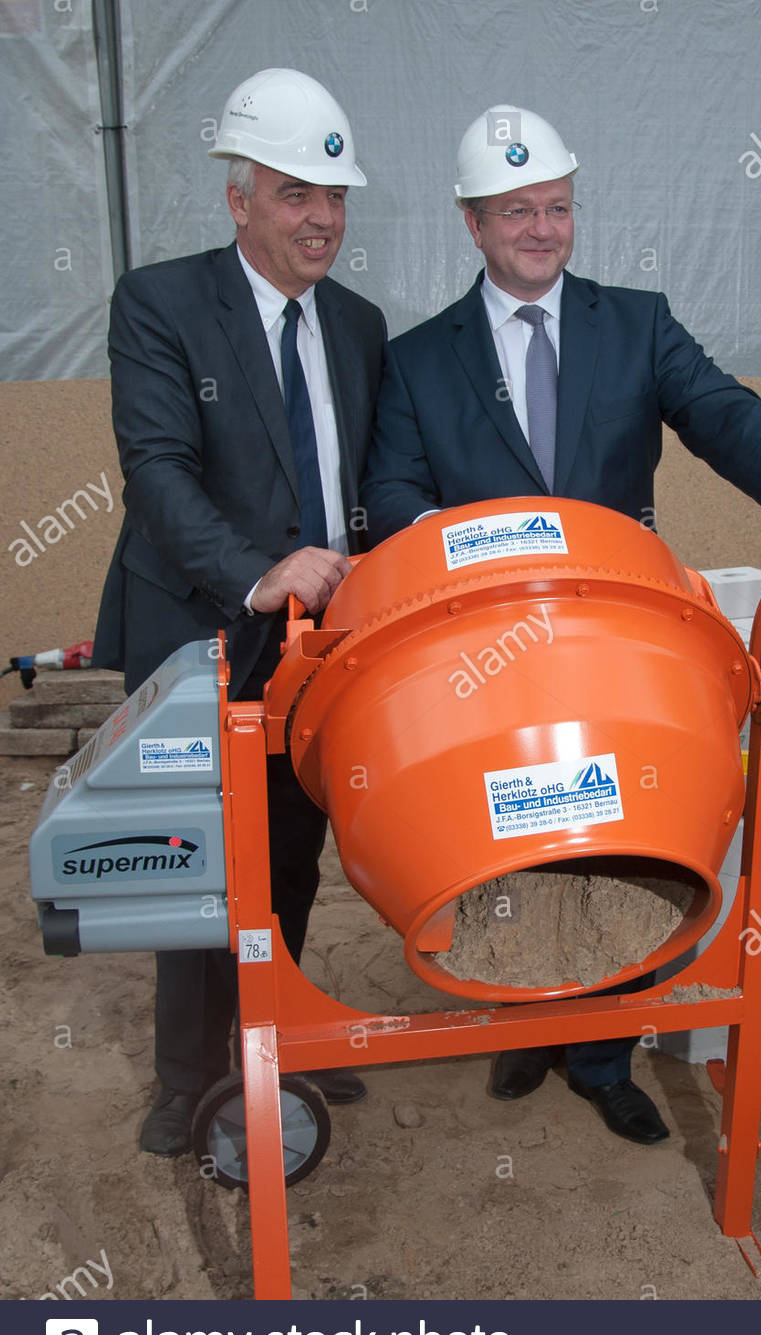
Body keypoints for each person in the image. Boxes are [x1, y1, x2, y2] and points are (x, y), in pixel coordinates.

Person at [362, 104, 761, 1146]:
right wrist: (471, 551)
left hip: (615, 649)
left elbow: (716, 408)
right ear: (473, 222)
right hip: (487, 656)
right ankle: (524, 1016)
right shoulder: (419, 358)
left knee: (618, 829)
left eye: (556, 208)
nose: (541, 229)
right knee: (514, 828)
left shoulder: (634, 322)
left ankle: (603, 1053)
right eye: (517, 212)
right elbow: (393, 492)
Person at [93, 68, 388, 1156]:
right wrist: (260, 573)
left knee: (293, 850)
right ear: (239, 200)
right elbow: (158, 473)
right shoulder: (161, 303)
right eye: (296, 195)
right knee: (195, 865)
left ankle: (280, 1040)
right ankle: (187, 1077)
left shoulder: (358, 325)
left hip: (314, 656)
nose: (322, 220)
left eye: (336, 197)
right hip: (197, 636)